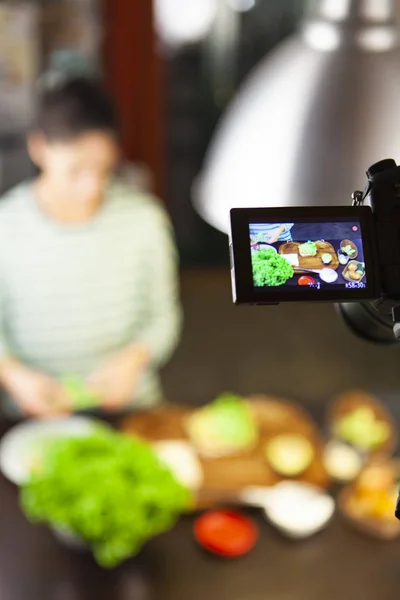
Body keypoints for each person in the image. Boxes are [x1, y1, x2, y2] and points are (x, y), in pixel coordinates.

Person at [0, 77, 182, 417]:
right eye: (76, 171)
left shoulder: (145, 220)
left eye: (103, 169)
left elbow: (163, 317)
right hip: (31, 413)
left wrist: (134, 359)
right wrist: (12, 374)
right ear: (38, 148)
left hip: (131, 406)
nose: (91, 188)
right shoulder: (5, 227)